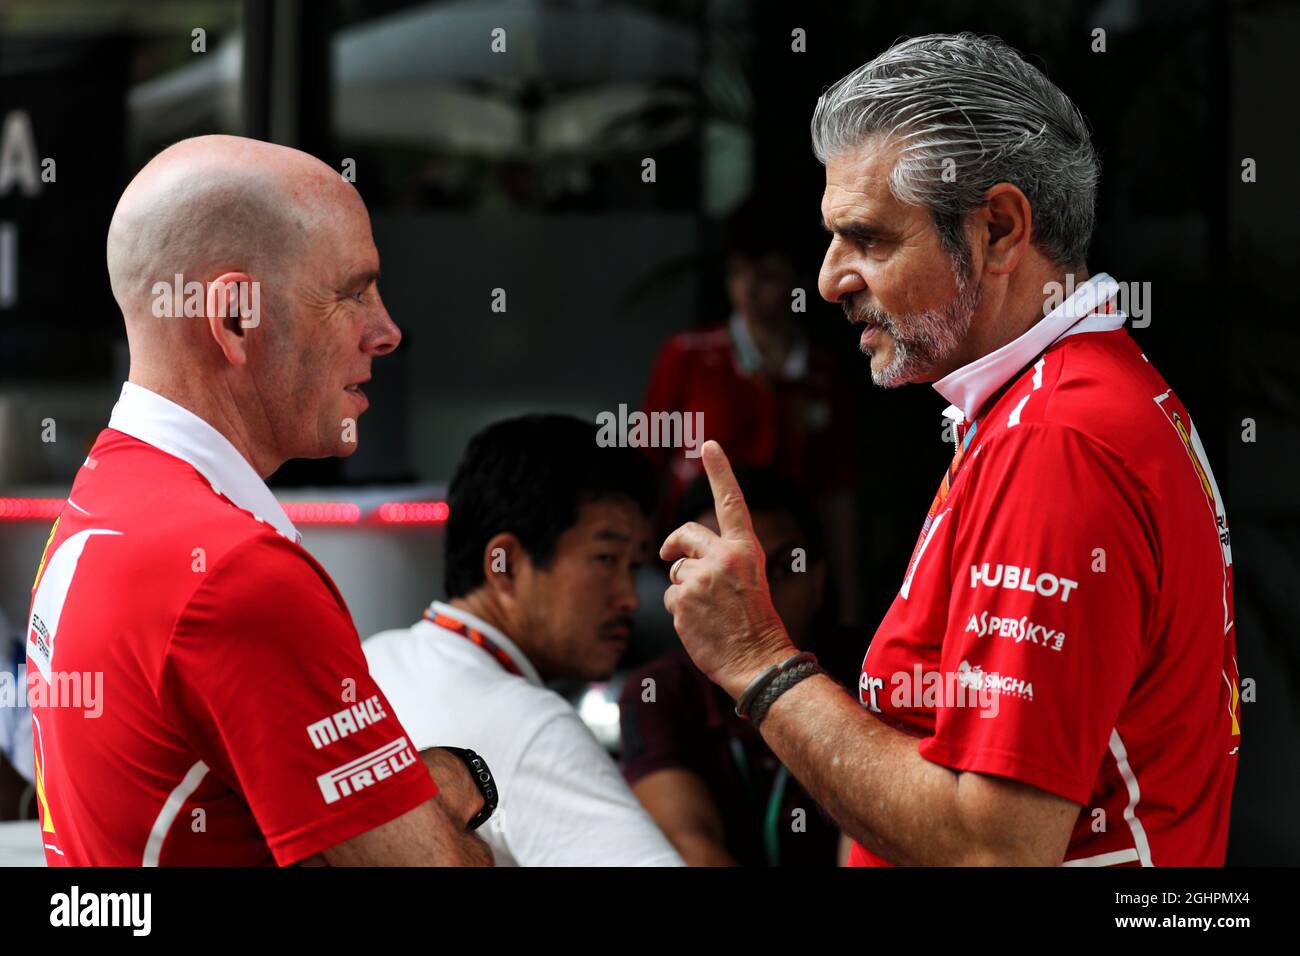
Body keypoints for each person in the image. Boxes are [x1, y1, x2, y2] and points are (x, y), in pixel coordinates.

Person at [659, 34, 1238, 866]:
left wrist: (758, 661)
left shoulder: (1055, 440)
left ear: (999, 229)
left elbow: (994, 849)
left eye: (867, 239)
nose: (827, 279)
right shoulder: (1081, 393)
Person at [25, 135, 490, 866]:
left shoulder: (105, 493)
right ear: (235, 317)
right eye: (351, 292)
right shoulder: (238, 574)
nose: (387, 331)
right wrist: (460, 780)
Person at [365, 415, 684, 867]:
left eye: (633, 566)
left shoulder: (366, 662)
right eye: (606, 559)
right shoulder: (534, 728)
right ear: (507, 564)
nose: (630, 598)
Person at [620, 468, 859, 866]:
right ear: (680, 587)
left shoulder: (873, 671)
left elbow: (881, 830)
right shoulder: (659, 691)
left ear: (819, 581)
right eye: (723, 574)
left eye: (782, 568)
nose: (755, 593)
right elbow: (688, 843)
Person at [641, 201, 864, 623]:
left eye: (767, 276)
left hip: (783, 573)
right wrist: (638, 565)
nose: (748, 288)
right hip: (692, 562)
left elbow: (837, 495)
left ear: (799, 279)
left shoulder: (822, 372)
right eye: (739, 273)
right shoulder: (687, 355)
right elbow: (647, 465)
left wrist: (847, 598)